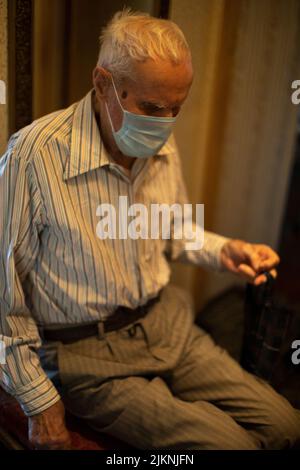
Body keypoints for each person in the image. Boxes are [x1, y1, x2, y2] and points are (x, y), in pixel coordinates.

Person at [0, 9, 299, 450]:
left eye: (176, 108)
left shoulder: (155, 135)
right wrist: (40, 402)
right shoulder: (34, 157)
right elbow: (5, 298)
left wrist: (225, 250)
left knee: (286, 426)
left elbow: (171, 227)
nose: (164, 123)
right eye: (152, 108)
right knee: (231, 445)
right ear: (102, 84)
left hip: (164, 325)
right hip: (86, 355)